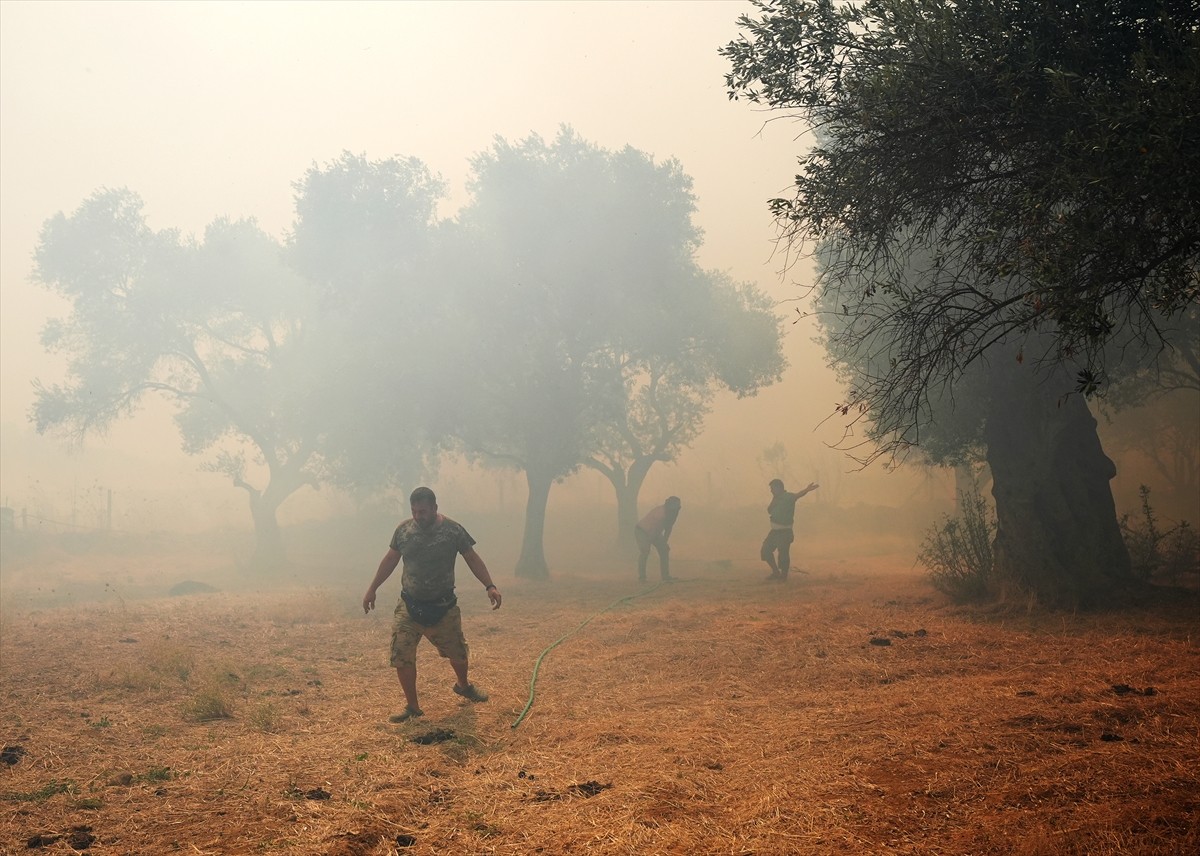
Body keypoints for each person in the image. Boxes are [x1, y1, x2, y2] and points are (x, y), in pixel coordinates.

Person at [362, 486, 502, 723]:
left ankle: (463, 685)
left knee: (458, 654)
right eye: (415, 511)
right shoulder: (403, 531)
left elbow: (472, 558)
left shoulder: (453, 531)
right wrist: (372, 588)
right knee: (401, 654)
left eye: (423, 511)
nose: (418, 516)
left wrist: (490, 585)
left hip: (443, 606)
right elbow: (390, 560)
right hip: (410, 605)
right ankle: (413, 708)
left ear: (435, 508)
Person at [761, 479, 818, 581]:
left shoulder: (788, 497)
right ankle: (776, 572)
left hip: (785, 532)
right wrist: (774, 498)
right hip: (774, 531)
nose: (771, 491)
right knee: (765, 550)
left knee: (783, 554)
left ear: (779, 488)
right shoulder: (776, 498)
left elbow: (798, 495)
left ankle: (783, 577)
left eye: (772, 488)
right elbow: (769, 510)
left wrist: (807, 489)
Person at [635, 495, 681, 582]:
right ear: (669, 505)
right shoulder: (661, 513)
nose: (676, 508)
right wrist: (651, 541)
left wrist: (664, 542)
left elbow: (668, 528)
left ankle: (665, 576)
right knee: (645, 551)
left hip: (655, 532)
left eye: (677, 506)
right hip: (642, 531)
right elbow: (654, 528)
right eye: (674, 506)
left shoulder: (672, 513)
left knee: (664, 550)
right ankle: (642, 577)